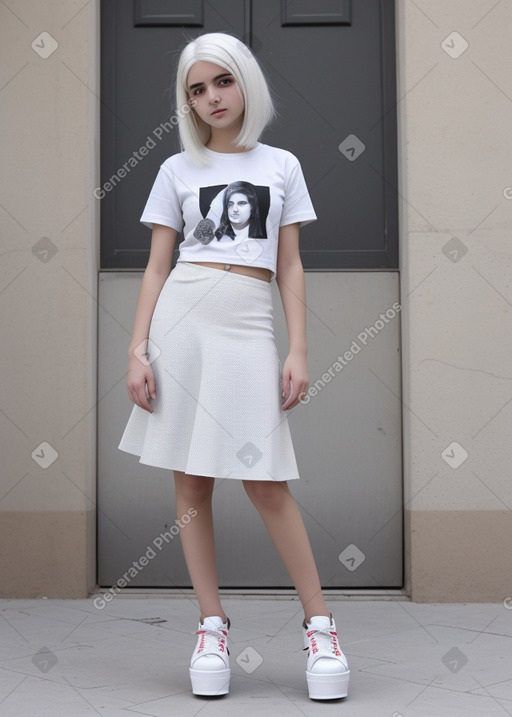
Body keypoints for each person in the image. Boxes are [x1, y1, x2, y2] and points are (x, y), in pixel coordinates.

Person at [117, 32, 350, 701]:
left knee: (266, 481)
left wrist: (298, 347)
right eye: (196, 88)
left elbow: (291, 264)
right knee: (191, 481)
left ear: (245, 83)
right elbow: (158, 265)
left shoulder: (282, 165)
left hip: (248, 321)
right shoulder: (176, 171)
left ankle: (321, 626)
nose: (211, 97)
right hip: (182, 320)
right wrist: (137, 347)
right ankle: (211, 625)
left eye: (222, 81)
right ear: (186, 100)